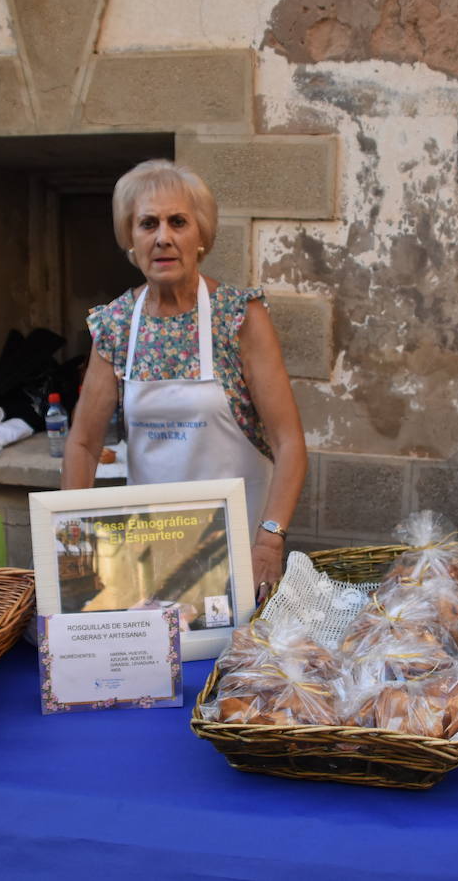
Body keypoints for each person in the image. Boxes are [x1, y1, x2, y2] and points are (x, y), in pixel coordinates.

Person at [61, 160, 307, 600]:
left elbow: (289, 442)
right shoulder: (116, 324)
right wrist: (71, 541)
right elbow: (83, 444)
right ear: (130, 240)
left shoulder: (239, 317)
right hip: (149, 554)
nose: (163, 238)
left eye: (178, 222)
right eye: (147, 224)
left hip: (238, 554)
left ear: (201, 237)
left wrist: (269, 542)